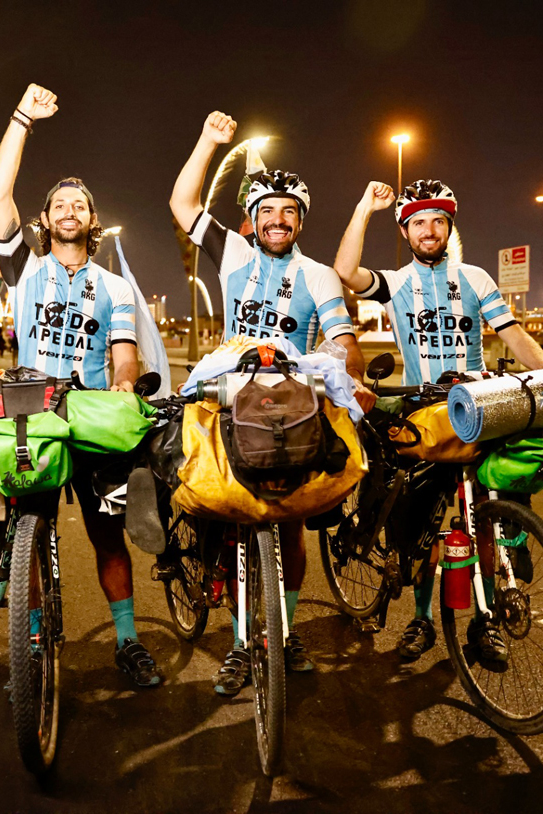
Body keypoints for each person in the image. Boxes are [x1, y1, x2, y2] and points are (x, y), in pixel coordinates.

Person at [170, 110, 377, 697]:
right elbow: (184, 204)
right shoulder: (234, 254)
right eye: (268, 211)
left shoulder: (318, 275)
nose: (278, 219)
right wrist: (208, 141)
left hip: (288, 395)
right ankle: (236, 635)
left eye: (289, 212)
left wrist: (353, 378)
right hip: (232, 385)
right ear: (253, 219)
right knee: (191, 469)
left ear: (301, 221)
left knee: (292, 527)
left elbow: (341, 341)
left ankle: (281, 631)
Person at [332, 179, 543, 661]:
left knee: (486, 517)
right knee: (420, 527)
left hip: (478, 404)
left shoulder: (475, 278)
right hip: (424, 411)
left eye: (437, 222)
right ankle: (421, 619)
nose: (428, 231)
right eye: (418, 224)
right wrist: (365, 206)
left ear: (449, 228)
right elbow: (346, 271)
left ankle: (485, 619)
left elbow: (514, 336)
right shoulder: (397, 283)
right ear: (407, 233)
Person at [0, 83, 160, 688]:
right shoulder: (24, 269)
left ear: (93, 221)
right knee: (25, 536)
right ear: (44, 220)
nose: (68, 212)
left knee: (108, 537)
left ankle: (129, 640)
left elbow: (123, 354)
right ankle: (29, 640)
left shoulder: (113, 287)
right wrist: (22, 120)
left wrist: (122, 387)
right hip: (31, 410)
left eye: (78, 206)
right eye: (58, 205)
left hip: (87, 412)